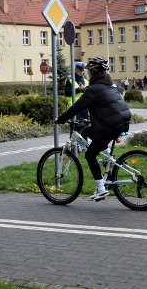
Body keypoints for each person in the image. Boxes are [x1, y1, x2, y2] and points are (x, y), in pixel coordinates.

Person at [55, 57, 132, 201]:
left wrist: (61, 119)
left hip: (111, 124)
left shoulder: (93, 89)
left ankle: (101, 188)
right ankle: (108, 156)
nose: (87, 73)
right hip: (123, 120)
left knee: (90, 155)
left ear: (93, 71)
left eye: (89, 70)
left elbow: (77, 107)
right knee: (87, 133)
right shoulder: (111, 84)